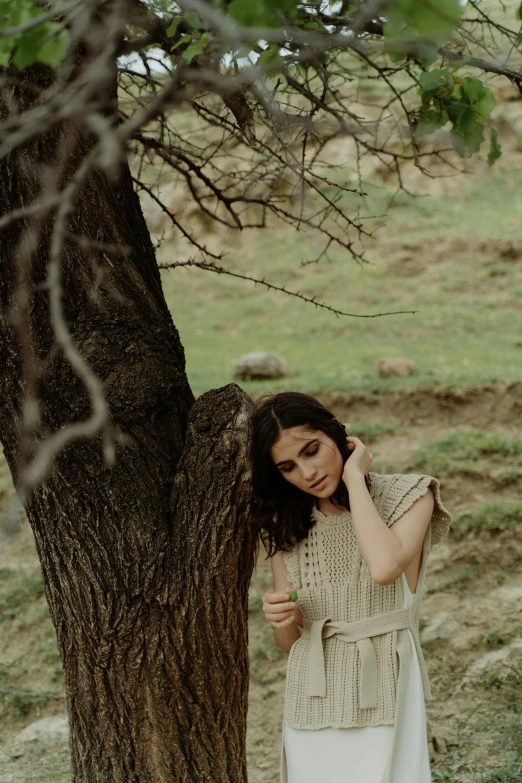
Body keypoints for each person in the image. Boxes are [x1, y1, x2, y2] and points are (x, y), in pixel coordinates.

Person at [248, 391, 452, 783]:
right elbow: (292, 643)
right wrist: (281, 619)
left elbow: (384, 567)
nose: (306, 473)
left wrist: (354, 478)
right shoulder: (288, 527)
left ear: (337, 435)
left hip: (385, 682)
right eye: (288, 466)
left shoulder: (410, 494)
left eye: (312, 451)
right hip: (312, 694)